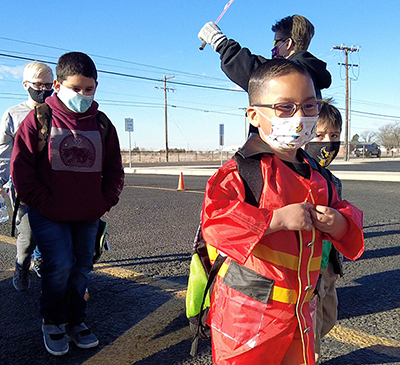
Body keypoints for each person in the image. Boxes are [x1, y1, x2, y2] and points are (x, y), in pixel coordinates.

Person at [201, 59, 364, 365]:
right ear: (254, 115)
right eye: (285, 107)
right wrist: (275, 219)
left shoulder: (319, 176)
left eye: (309, 106)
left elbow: (348, 220)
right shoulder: (241, 172)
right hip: (248, 320)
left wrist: (340, 223)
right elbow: (216, 223)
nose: (300, 117)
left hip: (301, 314)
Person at [10, 52, 124, 356]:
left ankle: (76, 321)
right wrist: (43, 203)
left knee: (81, 269)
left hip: (88, 214)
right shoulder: (39, 119)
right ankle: (53, 322)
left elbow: (115, 168)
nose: (83, 95)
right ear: (58, 85)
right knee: (58, 266)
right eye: (76, 89)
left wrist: (105, 200)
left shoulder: (102, 123)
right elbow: (21, 169)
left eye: (90, 89)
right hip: (48, 214)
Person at [198, 14, 332, 134]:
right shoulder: (312, 75)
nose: (273, 47)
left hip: (275, 155)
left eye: (276, 42)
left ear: (288, 43)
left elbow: (250, 68)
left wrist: (219, 41)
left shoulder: (290, 73)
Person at [0, 61, 54, 290]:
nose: (43, 89)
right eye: (38, 85)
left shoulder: (57, 112)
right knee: (28, 233)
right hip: (20, 184)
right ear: (26, 85)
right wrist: (2, 182)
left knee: (52, 226)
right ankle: (22, 265)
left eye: (48, 85)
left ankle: (41, 261)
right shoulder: (13, 114)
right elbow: (3, 151)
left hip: (51, 183)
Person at [304, 100, 344, 364]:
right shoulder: (299, 175)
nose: (328, 142)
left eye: (335, 136)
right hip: (307, 268)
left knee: (329, 318)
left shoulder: (332, 180)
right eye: (319, 135)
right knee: (312, 330)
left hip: (328, 264)